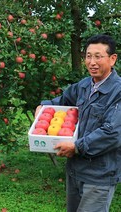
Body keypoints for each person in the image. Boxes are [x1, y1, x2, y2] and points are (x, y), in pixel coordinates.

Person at [35, 34, 121, 212]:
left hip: (99, 175)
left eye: (98, 56)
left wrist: (76, 146)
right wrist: (43, 107)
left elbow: (112, 134)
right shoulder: (83, 86)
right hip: (75, 170)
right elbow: (60, 101)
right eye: (88, 56)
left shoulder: (118, 92)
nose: (92, 62)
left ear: (112, 59)